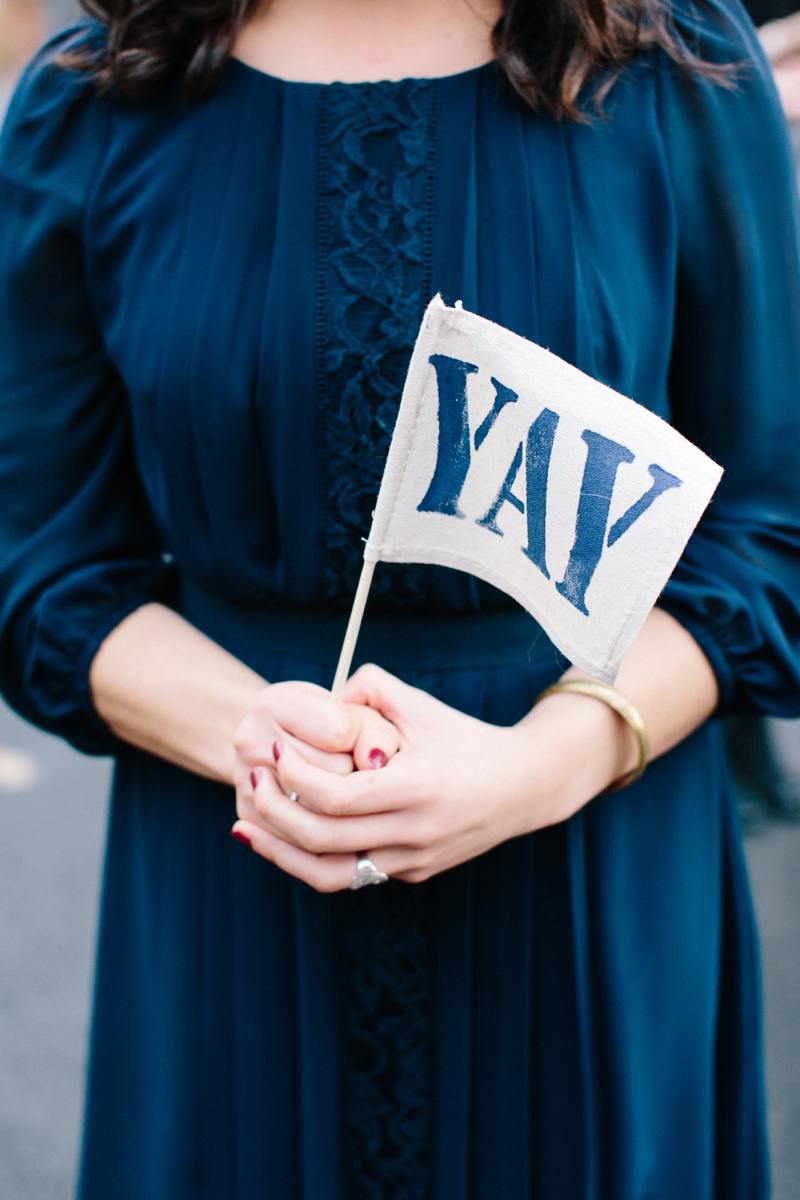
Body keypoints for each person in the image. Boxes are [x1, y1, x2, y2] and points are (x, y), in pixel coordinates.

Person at [1, 0, 799, 1196]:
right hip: (236, 867)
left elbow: (767, 525)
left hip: (592, 858)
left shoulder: (674, 52)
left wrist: (544, 764)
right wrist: (258, 740)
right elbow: (40, 562)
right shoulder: (98, 81)